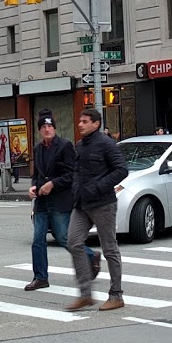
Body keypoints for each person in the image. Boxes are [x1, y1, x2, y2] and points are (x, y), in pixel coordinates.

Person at [64, 108, 127, 311]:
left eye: (84, 121)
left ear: (96, 124)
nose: (80, 124)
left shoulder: (107, 144)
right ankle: (85, 294)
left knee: (109, 249)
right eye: (80, 121)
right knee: (73, 242)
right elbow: (76, 171)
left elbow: (121, 170)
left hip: (103, 203)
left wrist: (98, 187)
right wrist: (76, 189)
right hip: (82, 204)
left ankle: (116, 295)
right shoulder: (80, 145)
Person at [24, 115, 96, 291]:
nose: (47, 130)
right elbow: (37, 175)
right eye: (43, 127)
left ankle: (90, 256)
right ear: (39, 130)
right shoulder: (38, 149)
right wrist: (33, 186)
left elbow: (72, 174)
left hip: (59, 200)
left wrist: (53, 184)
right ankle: (40, 277)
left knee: (64, 237)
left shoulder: (64, 146)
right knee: (38, 240)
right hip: (41, 202)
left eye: (50, 126)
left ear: (54, 129)